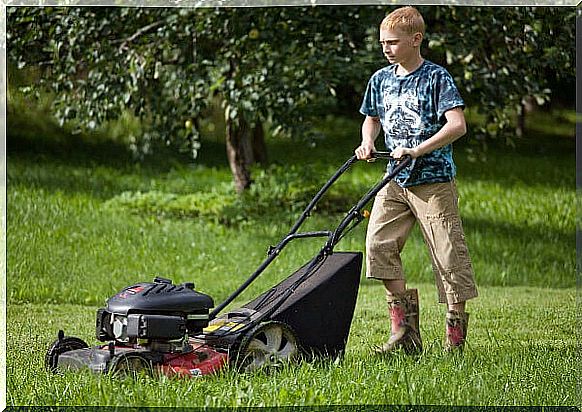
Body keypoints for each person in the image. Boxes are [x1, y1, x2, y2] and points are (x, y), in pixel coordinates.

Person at [355, 6, 478, 354]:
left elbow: (457, 125)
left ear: (416, 39)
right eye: (382, 43)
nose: (386, 48)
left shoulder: (437, 78)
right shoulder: (380, 79)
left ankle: (454, 344)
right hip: (394, 180)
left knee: (448, 255)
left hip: (433, 182)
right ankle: (405, 335)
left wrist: (418, 149)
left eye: (393, 42)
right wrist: (368, 142)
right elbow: (371, 118)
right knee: (378, 246)